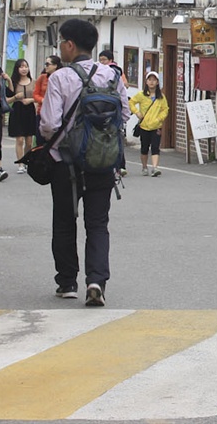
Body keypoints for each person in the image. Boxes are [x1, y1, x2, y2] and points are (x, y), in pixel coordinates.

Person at [40, 19, 129, 307]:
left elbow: (50, 124)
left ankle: (67, 282)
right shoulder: (112, 76)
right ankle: (96, 281)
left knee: (65, 221)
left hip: (64, 162)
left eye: (61, 43)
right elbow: (124, 115)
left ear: (69, 44)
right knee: (98, 223)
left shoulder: (60, 78)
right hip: (102, 161)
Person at [130, 70, 169, 177]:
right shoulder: (141, 95)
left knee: (155, 147)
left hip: (156, 126)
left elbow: (165, 109)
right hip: (144, 126)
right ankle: (144, 166)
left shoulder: (161, 97)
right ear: (146, 82)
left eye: (154, 80)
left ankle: (155, 167)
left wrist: (159, 119)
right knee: (144, 148)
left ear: (157, 82)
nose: (151, 82)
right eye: (149, 80)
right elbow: (131, 102)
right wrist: (137, 112)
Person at [8, 59, 37, 174]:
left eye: (26, 66)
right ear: (17, 69)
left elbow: (39, 97)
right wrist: (16, 97)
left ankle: (26, 161)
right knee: (19, 139)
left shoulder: (34, 82)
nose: (24, 69)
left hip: (29, 111)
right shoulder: (13, 82)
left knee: (29, 141)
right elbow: (7, 100)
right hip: (17, 110)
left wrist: (31, 100)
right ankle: (20, 163)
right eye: (21, 67)